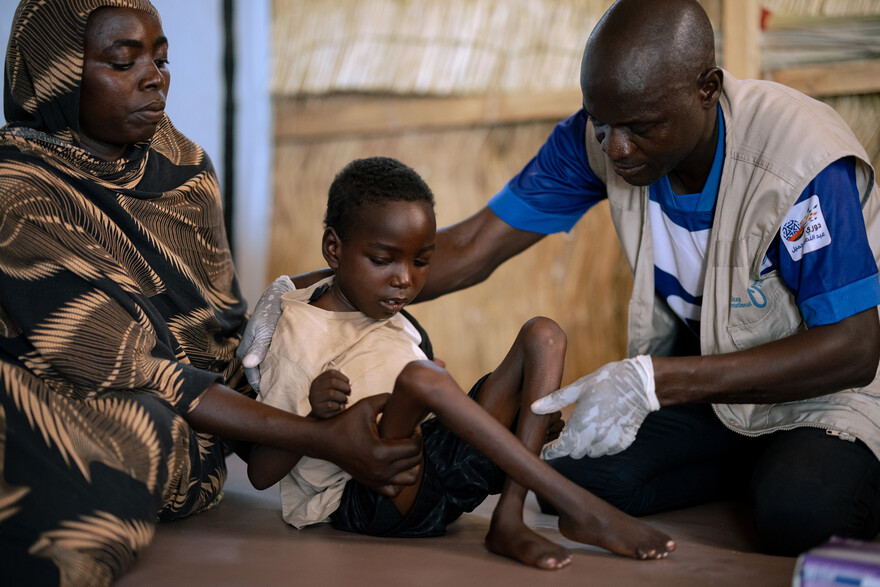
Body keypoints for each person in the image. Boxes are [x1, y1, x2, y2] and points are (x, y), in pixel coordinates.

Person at [240, 0, 880, 557]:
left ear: (707, 89)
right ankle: (753, 463)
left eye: (640, 127)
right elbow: (470, 245)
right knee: (576, 475)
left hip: (821, 396)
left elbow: (852, 349)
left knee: (802, 513)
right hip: (716, 391)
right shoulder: (599, 137)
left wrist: (655, 379)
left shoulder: (796, 161)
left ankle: (802, 464)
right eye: (602, 124)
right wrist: (306, 292)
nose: (617, 148)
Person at [0, 2, 424, 585]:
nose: (154, 77)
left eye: (161, 57)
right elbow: (132, 368)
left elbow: (226, 340)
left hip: (196, 436)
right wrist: (321, 438)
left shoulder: (185, 169)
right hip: (83, 403)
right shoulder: (18, 192)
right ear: (57, 74)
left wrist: (319, 367)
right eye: (123, 63)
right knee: (130, 428)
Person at [248, 156, 676, 569]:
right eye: (383, 260)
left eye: (421, 261)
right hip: (368, 495)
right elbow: (262, 473)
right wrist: (315, 416)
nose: (405, 279)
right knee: (422, 378)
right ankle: (577, 504)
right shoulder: (300, 340)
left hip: (433, 462)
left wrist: (515, 417)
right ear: (333, 248)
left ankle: (508, 517)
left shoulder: (383, 308)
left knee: (542, 335)